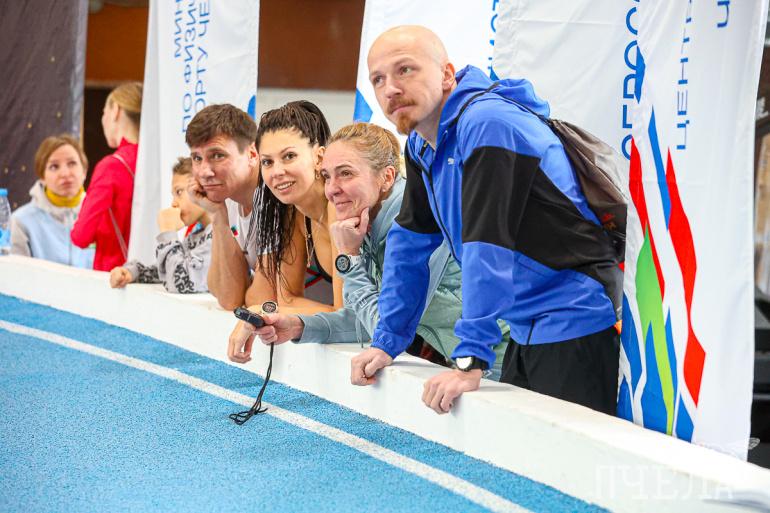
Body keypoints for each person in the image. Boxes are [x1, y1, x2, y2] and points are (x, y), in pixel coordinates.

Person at [352, 26, 623, 416]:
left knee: (566, 455)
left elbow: (487, 244)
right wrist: (387, 341)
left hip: (575, 318)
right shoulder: (423, 144)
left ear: (447, 75)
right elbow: (409, 243)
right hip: (525, 328)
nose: (390, 88)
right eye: (378, 79)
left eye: (405, 69)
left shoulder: (487, 122)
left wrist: (470, 359)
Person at [227, 122, 509, 377]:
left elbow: (387, 331)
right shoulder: (366, 219)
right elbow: (369, 321)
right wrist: (297, 326)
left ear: (387, 177)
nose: (331, 189)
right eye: (327, 176)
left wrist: (349, 259)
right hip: (483, 364)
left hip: (508, 362)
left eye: (346, 174)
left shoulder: (411, 221)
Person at [185, 103, 268, 310]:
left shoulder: (276, 195)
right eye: (197, 158)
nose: (204, 172)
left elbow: (261, 301)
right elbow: (229, 298)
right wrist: (217, 215)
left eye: (217, 155)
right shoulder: (228, 198)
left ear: (252, 155)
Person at [109, 157, 213, 293]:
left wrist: (168, 233)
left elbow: (179, 282)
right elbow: (169, 270)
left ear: (201, 188)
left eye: (179, 192)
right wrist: (134, 272)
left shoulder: (221, 236)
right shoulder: (197, 235)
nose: (173, 203)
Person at [71, 82, 142, 271]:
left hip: (116, 274)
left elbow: (81, 236)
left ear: (116, 111)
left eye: (104, 112)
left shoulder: (112, 166)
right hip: (158, 273)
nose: (102, 120)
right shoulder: (159, 160)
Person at [10, 134, 94, 268]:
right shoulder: (20, 222)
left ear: (84, 171)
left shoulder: (102, 217)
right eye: (54, 167)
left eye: (72, 163)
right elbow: (16, 275)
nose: (65, 174)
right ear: (42, 176)